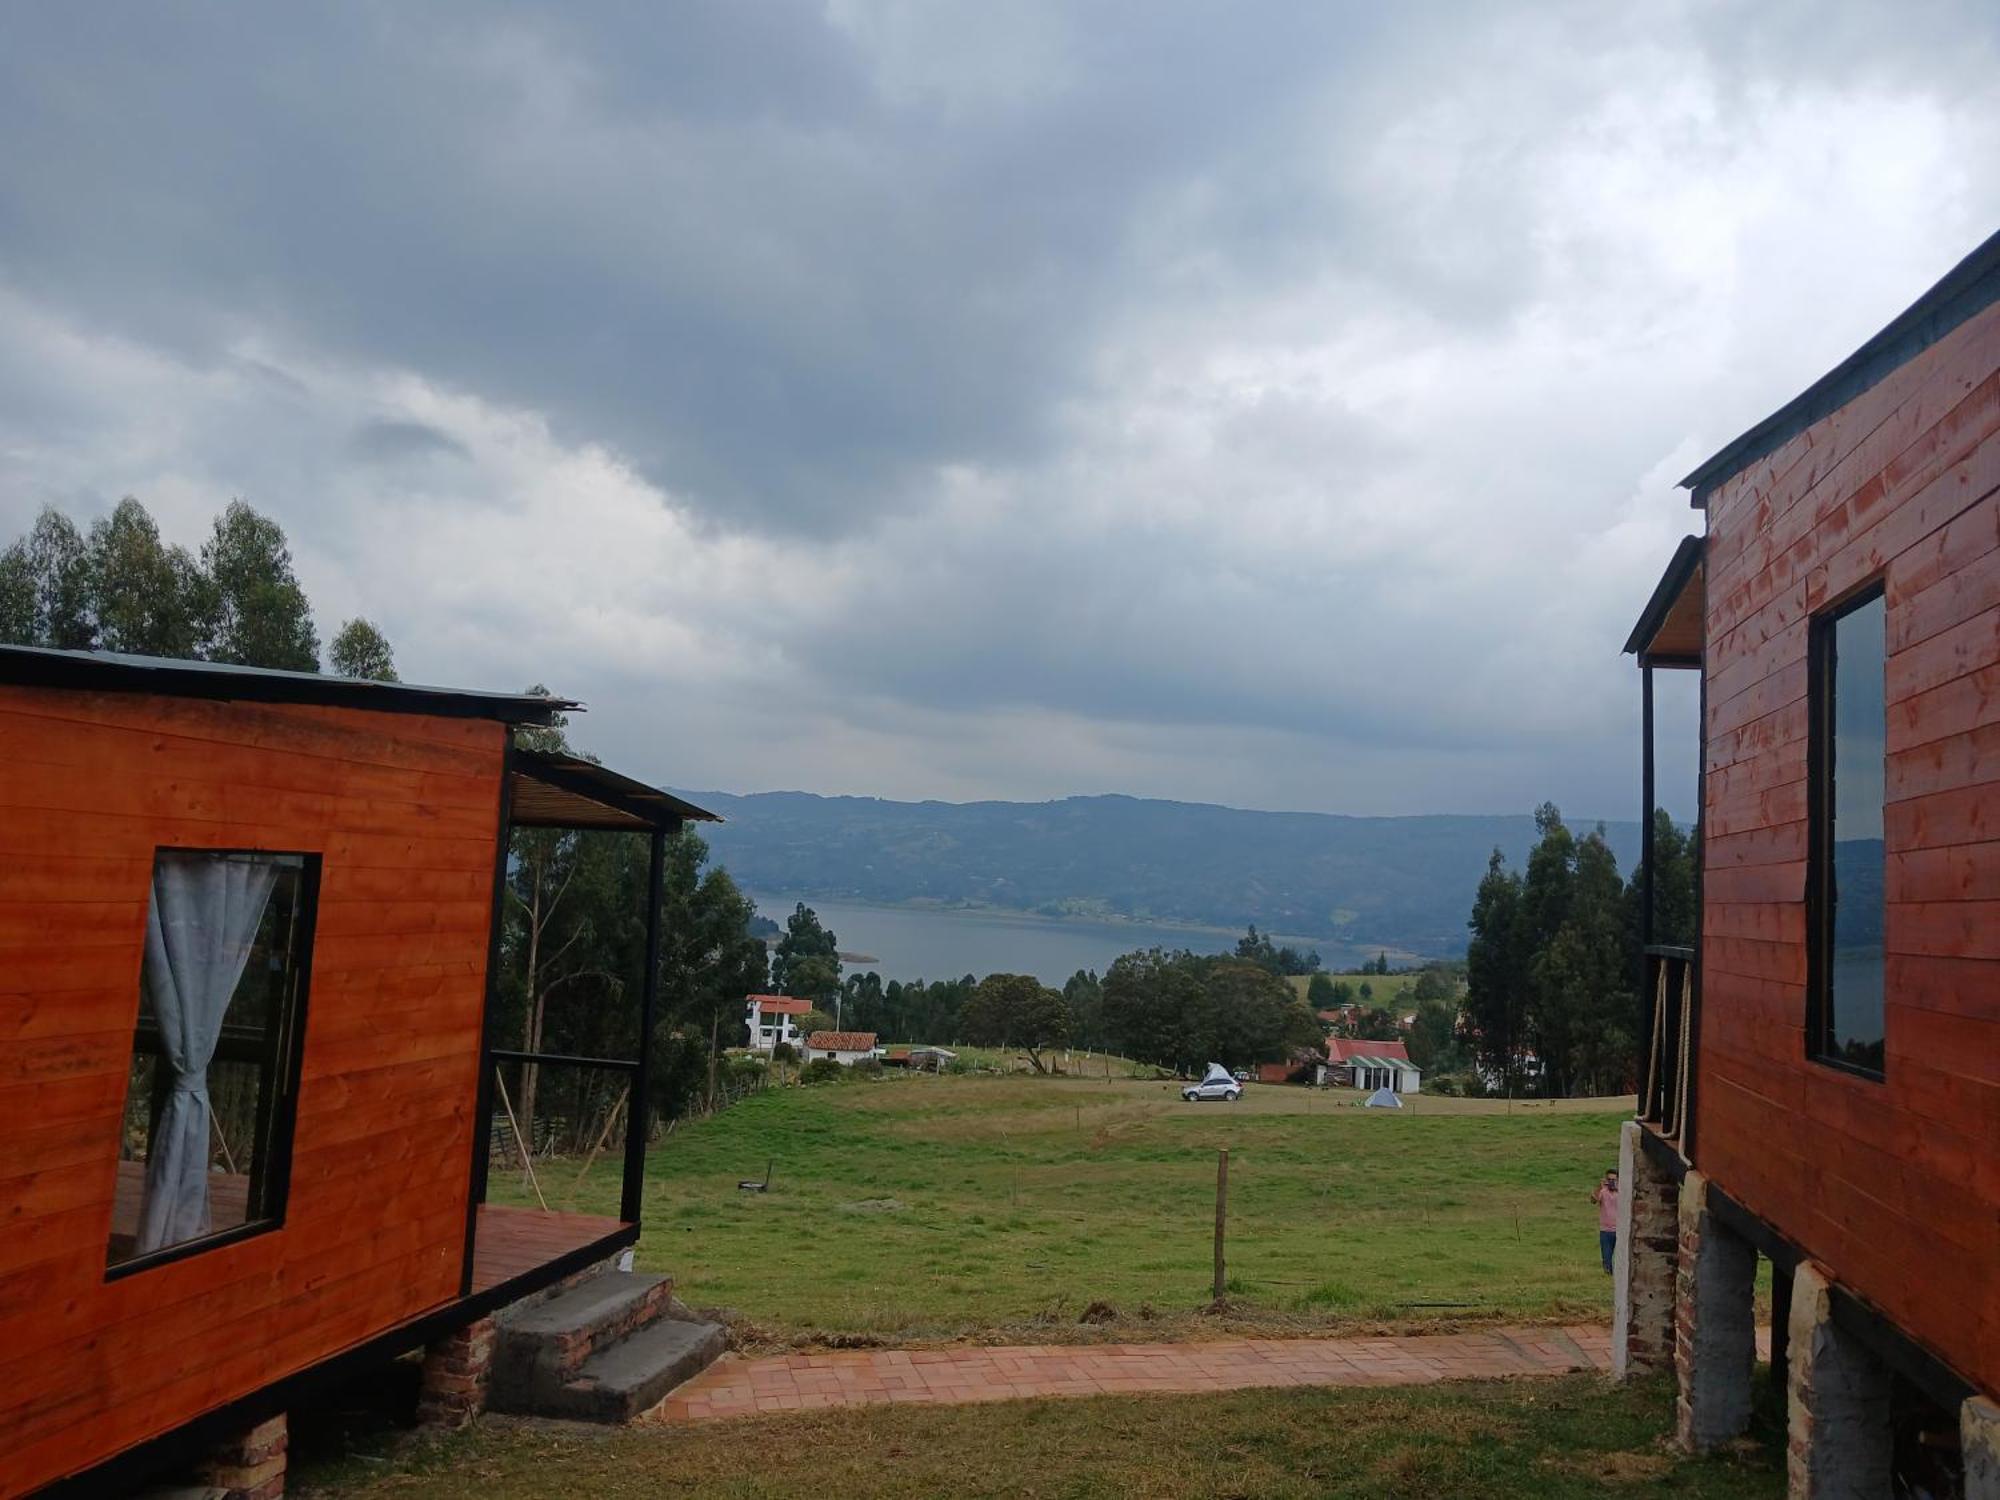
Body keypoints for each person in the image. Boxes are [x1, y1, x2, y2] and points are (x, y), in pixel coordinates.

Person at [1592, 1168, 1620, 1274]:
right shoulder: (1603, 1192)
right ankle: (1608, 1275)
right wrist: (1600, 1186)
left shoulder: (1622, 1192)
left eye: (1614, 1180)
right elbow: (1593, 1200)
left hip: (1619, 1230)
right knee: (1606, 1258)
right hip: (1605, 1230)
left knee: (1620, 1258)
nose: (1612, 1182)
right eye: (1610, 1179)